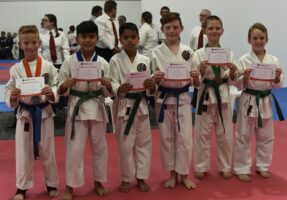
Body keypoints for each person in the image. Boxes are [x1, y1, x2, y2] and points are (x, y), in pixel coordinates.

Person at [58, 21, 112, 200]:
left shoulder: (103, 62)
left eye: (91, 37)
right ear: (77, 39)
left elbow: (109, 92)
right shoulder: (69, 62)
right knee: (74, 148)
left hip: (97, 106)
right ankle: (70, 186)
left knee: (100, 147)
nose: (88, 40)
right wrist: (64, 85)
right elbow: (60, 89)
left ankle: (98, 181)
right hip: (77, 108)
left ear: (97, 38)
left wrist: (107, 85)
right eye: (84, 37)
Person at [5, 25, 59, 200]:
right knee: (23, 152)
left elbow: (56, 84)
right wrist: (12, 97)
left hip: (44, 113)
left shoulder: (48, 67)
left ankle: (51, 183)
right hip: (25, 114)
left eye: (33, 42)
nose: (29, 46)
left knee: (48, 151)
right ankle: (22, 187)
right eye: (25, 43)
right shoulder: (15, 69)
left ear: (39, 43)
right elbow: (9, 90)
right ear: (20, 44)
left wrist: (53, 93)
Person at [152, 12, 200, 190]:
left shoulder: (188, 51)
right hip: (163, 99)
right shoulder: (155, 52)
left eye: (175, 27)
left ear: (181, 29)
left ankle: (185, 174)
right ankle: (172, 173)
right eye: (168, 28)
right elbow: (150, 81)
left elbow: (197, 82)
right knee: (167, 138)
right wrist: (155, 78)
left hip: (183, 97)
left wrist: (195, 77)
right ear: (163, 30)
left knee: (185, 138)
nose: (172, 31)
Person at [234, 23, 284, 182]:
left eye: (261, 38)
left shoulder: (274, 60)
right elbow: (238, 84)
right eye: (255, 38)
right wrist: (245, 78)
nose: (258, 41)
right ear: (249, 40)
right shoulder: (243, 60)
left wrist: (277, 78)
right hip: (248, 99)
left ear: (267, 39)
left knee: (266, 136)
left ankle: (263, 166)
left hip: (265, 99)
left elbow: (278, 83)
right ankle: (242, 168)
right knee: (243, 135)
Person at [110, 22, 156, 193]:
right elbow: (113, 82)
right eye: (126, 37)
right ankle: (126, 178)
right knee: (125, 145)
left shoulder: (145, 59)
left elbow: (151, 88)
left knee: (144, 143)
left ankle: (141, 177)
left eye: (133, 37)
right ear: (120, 39)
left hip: (141, 105)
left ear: (138, 38)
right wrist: (118, 89)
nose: (129, 40)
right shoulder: (115, 60)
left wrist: (152, 86)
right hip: (124, 105)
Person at [192, 15, 238, 180]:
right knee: (201, 133)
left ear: (222, 31)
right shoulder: (197, 54)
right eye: (210, 28)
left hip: (223, 95)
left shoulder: (228, 53)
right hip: (205, 94)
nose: (214, 31)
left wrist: (232, 72)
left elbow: (234, 78)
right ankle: (200, 166)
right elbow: (194, 80)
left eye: (217, 28)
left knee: (225, 133)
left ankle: (225, 166)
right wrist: (202, 72)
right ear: (204, 30)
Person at [189, 9, 211, 108]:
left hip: (207, 57)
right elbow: (190, 44)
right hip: (196, 56)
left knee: (205, 79)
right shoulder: (194, 30)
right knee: (196, 78)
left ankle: (206, 101)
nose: (202, 17)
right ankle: (195, 100)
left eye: (204, 15)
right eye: (201, 15)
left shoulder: (211, 30)